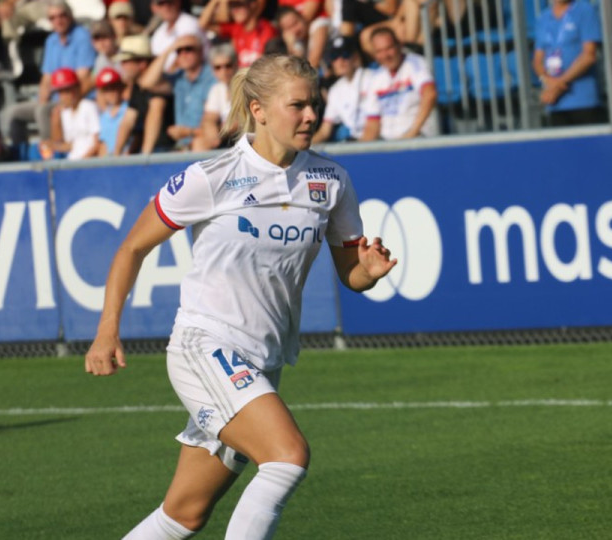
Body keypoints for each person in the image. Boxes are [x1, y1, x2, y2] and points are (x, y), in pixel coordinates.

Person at [85, 53, 397, 540]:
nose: (311, 115)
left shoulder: (330, 182)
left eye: (314, 103)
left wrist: (369, 271)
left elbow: (350, 275)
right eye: (298, 105)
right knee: (287, 456)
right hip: (205, 346)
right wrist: (107, 332)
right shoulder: (213, 176)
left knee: (184, 514)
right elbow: (132, 247)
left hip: (263, 359)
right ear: (259, 110)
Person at [0, 0, 97, 150]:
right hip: (56, 99)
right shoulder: (52, 41)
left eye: (62, 16)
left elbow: (82, 78)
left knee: (43, 111)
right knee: (13, 113)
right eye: (52, 18)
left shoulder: (82, 37)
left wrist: (61, 103)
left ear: (70, 16)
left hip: (76, 98)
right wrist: (42, 100)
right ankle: (19, 154)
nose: (58, 21)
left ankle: (50, 154)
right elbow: (46, 79)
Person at [533, 0, 604, 127]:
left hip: (583, 100)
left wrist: (559, 83)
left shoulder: (584, 10)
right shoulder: (543, 18)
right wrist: (547, 80)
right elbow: (537, 60)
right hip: (555, 102)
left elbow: (589, 55)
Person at [140, 34, 217, 150]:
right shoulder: (178, 78)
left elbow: (217, 126)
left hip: (206, 145)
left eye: (189, 49)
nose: (183, 54)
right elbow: (146, 83)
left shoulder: (213, 76)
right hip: (183, 147)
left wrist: (188, 132)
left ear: (201, 52)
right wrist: (169, 49)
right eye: (179, 51)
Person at [360, 27, 438, 140]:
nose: (385, 55)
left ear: (399, 45)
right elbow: (372, 123)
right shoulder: (376, 78)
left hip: (419, 139)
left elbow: (430, 95)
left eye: (389, 48)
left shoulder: (416, 63)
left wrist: (412, 133)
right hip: (389, 144)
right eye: (379, 51)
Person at [113, 34, 177, 154]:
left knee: (156, 102)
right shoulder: (137, 86)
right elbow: (128, 121)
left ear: (142, 63)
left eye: (126, 61)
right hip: (151, 153)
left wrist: (145, 158)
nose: (122, 66)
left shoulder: (161, 84)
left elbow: (149, 86)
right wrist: (116, 155)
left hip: (166, 152)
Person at [313, 36, 373, 143]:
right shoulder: (335, 90)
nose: (340, 61)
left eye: (345, 55)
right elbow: (325, 131)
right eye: (335, 56)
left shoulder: (373, 78)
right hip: (357, 142)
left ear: (355, 57)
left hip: (377, 140)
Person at [41, 67, 100, 160]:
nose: (64, 96)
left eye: (67, 91)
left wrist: (81, 163)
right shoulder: (65, 113)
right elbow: (73, 145)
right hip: (73, 162)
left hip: (89, 163)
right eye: (60, 92)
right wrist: (52, 145)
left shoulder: (89, 107)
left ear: (77, 88)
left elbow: (97, 144)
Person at [200, 0, 278, 68]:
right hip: (241, 77)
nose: (235, 10)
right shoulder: (236, 28)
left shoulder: (265, 28)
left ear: (251, 5)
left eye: (239, 6)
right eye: (233, 7)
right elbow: (203, 24)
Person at [194, 43, 239, 150]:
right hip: (227, 138)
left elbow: (241, 122)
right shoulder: (217, 89)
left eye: (228, 66)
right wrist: (212, 131)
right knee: (199, 143)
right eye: (218, 67)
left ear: (236, 64)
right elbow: (209, 118)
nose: (223, 71)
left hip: (245, 138)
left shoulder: (245, 85)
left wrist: (217, 133)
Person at [149, 0, 205, 69]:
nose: (166, 7)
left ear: (178, 2)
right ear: (154, 8)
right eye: (161, 3)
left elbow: (185, 61)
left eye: (170, 2)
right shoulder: (159, 32)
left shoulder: (189, 24)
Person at [95, 67, 129, 155]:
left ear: (121, 88)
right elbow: (103, 145)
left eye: (114, 88)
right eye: (106, 90)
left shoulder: (130, 109)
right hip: (110, 162)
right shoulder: (104, 117)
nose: (111, 93)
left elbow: (137, 137)